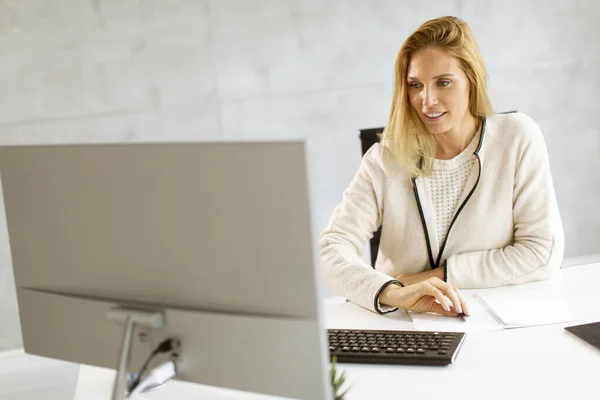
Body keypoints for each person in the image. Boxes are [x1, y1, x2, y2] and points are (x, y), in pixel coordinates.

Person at [319, 16, 564, 317]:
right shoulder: (384, 160)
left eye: (443, 82)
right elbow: (332, 248)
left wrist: (436, 276)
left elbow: (541, 253)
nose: (427, 100)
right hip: (402, 323)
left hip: (493, 319)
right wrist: (395, 292)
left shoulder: (517, 138)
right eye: (415, 85)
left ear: (471, 80)